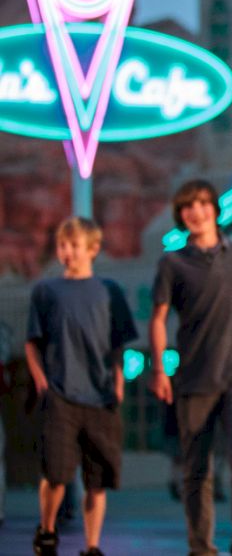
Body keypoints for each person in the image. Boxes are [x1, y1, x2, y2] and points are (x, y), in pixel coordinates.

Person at [148, 180, 232, 556]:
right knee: (197, 468)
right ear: (181, 216)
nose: (195, 212)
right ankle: (201, 545)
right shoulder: (172, 262)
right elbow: (158, 318)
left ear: (215, 209)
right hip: (193, 378)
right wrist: (159, 369)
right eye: (188, 207)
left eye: (202, 204)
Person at [26, 217, 138, 556]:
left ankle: (92, 546)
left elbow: (121, 343)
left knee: (97, 481)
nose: (68, 252)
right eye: (63, 245)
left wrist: (118, 382)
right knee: (57, 474)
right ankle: (46, 530)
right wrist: (40, 377)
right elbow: (33, 341)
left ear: (92, 249)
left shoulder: (110, 291)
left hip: (101, 397)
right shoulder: (46, 291)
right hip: (60, 394)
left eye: (74, 245)